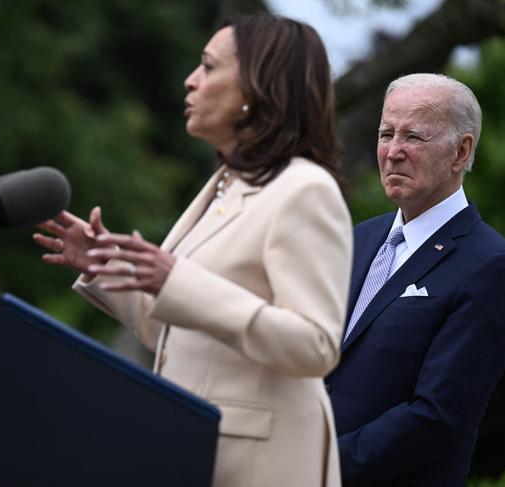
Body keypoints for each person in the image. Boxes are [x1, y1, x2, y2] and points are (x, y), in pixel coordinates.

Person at [34, 14, 352, 487]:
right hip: (196, 448)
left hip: (261, 466)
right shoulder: (226, 184)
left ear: (256, 86)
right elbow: (178, 335)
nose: (191, 79)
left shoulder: (304, 190)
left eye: (207, 66)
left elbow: (316, 345)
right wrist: (106, 266)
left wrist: (176, 280)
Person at [326, 73, 505, 486]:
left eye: (414, 137)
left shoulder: (489, 264)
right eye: (386, 133)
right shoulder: (359, 239)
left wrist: (324, 465)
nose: (392, 152)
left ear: (461, 152)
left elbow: (439, 416)